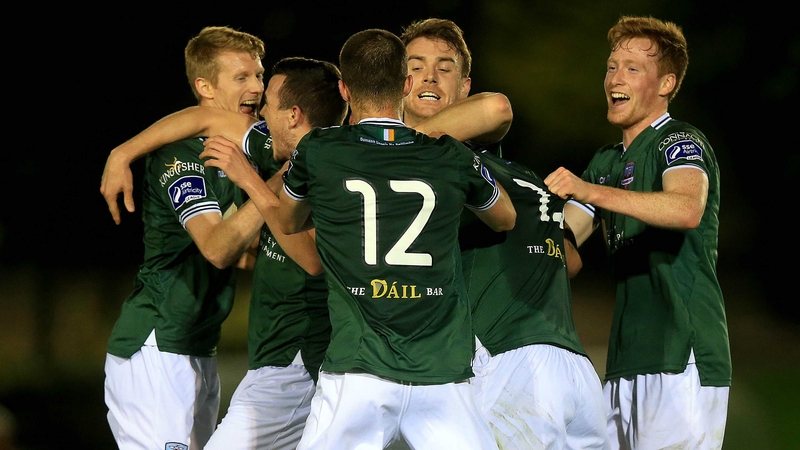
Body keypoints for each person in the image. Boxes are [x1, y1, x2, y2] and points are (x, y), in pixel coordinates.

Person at [273, 28, 516, 450]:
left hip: (357, 372)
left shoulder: (319, 149)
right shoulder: (450, 155)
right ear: (406, 84)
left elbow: (289, 221)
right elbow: (505, 217)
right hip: (442, 373)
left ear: (345, 90)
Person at [400, 18, 610, 449]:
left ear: (465, 86)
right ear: (397, 83)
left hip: (561, 363)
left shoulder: (512, 171)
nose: (430, 76)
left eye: (444, 67)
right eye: (415, 66)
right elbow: (497, 107)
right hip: (513, 358)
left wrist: (593, 200)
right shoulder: (414, 170)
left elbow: (567, 259)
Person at [544, 16, 731, 450]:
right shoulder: (607, 161)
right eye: (612, 67)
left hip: (680, 355)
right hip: (625, 359)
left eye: (632, 68)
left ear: (666, 84)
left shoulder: (679, 141)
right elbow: (563, 242)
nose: (615, 78)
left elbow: (686, 208)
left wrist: (591, 191)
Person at [102, 26, 268, 450]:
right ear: (205, 87)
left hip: (198, 346)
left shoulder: (243, 154)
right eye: (242, 77)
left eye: (259, 75)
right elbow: (216, 248)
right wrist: (276, 189)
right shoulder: (180, 155)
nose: (256, 87)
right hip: (158, 343)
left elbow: (243, 254)